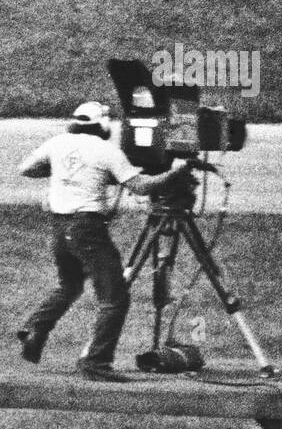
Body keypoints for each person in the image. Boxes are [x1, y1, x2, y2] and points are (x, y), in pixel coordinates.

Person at [16, 101, 195, 382]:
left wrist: (68, 174)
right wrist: (177, 171)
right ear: (102, 124)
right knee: (114, 299)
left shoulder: (57, 142)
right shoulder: (105, 150)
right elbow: (140, 186)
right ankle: (96, 363)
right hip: (88, 228)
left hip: (60, 226)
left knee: (69, 285)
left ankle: (35, 327)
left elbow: (26, 169)